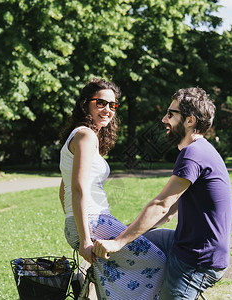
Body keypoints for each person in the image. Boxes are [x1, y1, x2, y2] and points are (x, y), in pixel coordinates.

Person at [93, 87, 232, 299]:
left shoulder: (193, 154)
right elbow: (169, 211)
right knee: (144, 242)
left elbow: (162, 205)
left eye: (170, 114)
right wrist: (130, 232)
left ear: (190, 120)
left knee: (127, 246)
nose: (163, 119)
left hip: (197, 259)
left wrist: (117, 242)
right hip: (188, 242)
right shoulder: (201, 149)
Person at [59, 78, 166, 299]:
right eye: (100, 102)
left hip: (85, 222)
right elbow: (77, 188)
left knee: (114, 270)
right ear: (85, 104)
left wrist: (73, 221)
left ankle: (88, 280)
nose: (107, 109)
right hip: (92, 221)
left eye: (113, 105)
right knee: (158, 260)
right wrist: (85, 238)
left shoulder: (80, 136)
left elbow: (63, 188)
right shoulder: (86, 136)